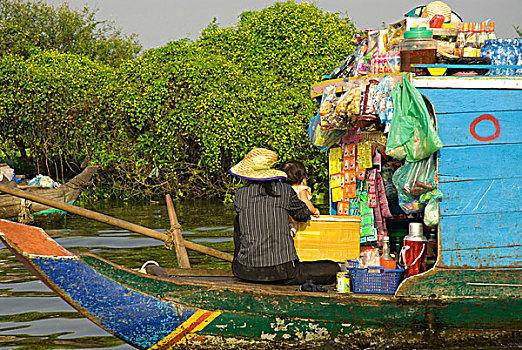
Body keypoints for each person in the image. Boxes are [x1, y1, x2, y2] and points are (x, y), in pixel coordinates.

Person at [229, 148, 340, 285]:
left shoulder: (240, 194)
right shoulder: (284, 190)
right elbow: (304, 215)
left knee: (238, 220)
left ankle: (243, 262)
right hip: (282, 271)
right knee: (334, 268)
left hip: (244, 271)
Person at [280, 159, 320, 234]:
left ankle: (291, 227)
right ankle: (293, 227)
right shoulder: (301, 189)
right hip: (298, 216)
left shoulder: (283, 189)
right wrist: (314, 210)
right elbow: (305, 201)